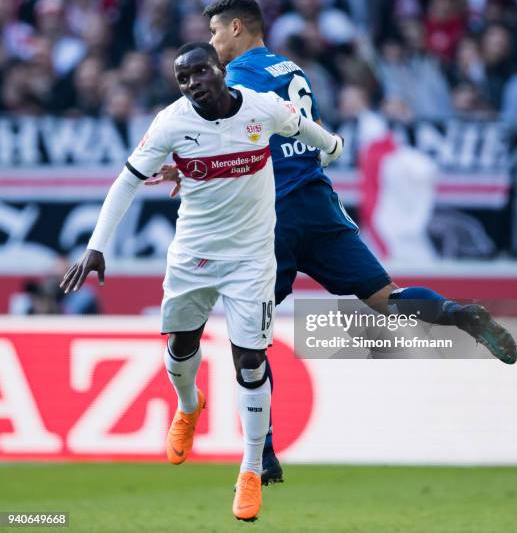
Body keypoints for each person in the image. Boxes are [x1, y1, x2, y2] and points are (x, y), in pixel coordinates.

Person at [146, 0, 517, 487]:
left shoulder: (236, 80)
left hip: (269, 216)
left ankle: (265, 455)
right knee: (387, 298)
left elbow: (221, 136)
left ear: (236, 28)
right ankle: (455, 313)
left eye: (215, 34)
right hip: (320, 207)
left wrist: (183, 167)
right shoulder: (293, 69)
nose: (213, 46)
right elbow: (307, 133)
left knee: (249, 338)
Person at [60, 41, 343, 522]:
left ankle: (250, 470)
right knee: (180, 348)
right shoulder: (173, 121)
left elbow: (301, 125)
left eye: (199, 74)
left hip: (252, 258)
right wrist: (97, 246)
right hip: (192, 256)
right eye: (182, 79)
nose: (192, 85)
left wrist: (331, 146)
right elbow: (128, 179)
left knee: (251, 360)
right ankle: (189, 406)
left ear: (221, 71)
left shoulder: (260, 108)